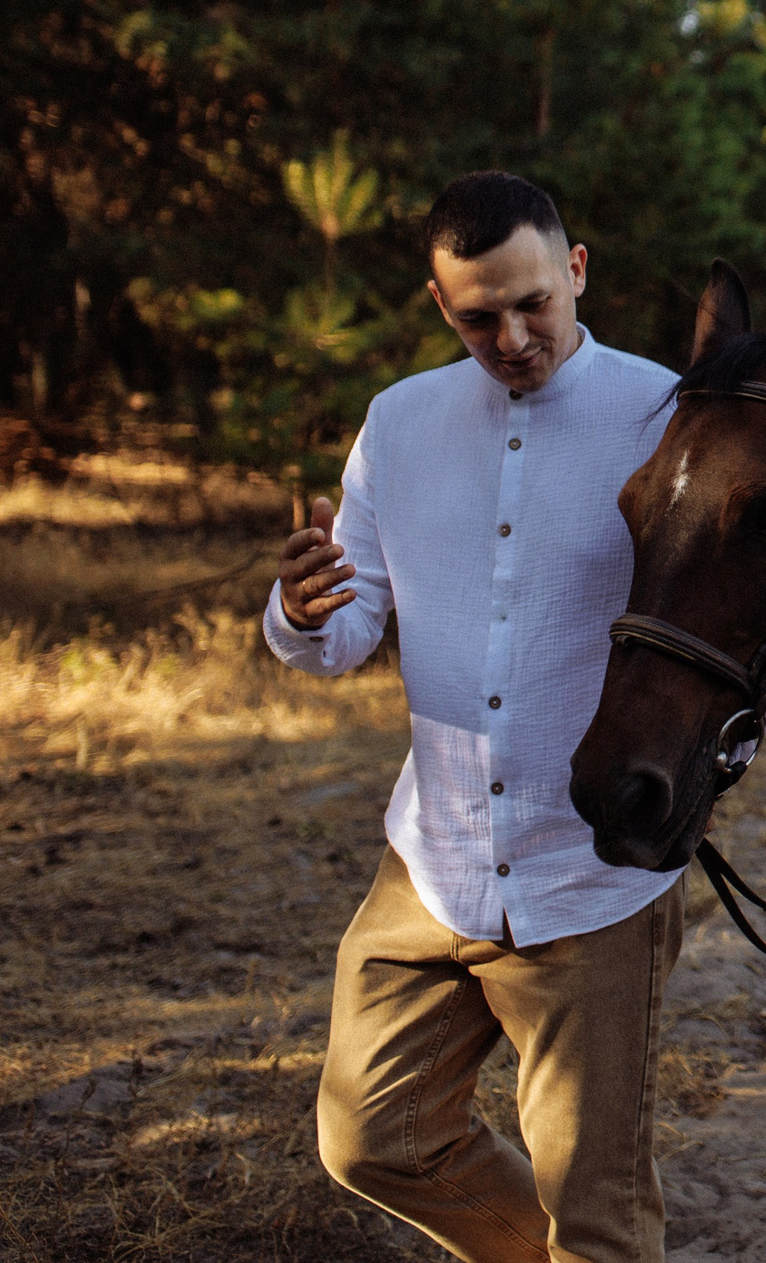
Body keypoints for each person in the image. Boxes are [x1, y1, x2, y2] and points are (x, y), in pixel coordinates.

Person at [264, 172, 686, 1263]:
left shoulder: (668, 416)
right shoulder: (398, 424)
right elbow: (342, 634)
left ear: (577, 269)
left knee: (599, 1218)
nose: (510, 335)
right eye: (477, 315)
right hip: (431, 863)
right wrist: (302, 610)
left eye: (533, 302)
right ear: (438, 304)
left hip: (589, 877)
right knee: (370, 1140)